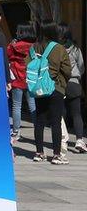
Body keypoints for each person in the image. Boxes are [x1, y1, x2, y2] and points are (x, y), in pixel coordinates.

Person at [27, 19, 72, 164]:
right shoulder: (58, 48)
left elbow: (27, 65)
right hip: (55, 87)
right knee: (55, 121)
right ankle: (57, 155)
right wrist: (62, 83)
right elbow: (67, 69)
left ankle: (39, 153)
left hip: (38, 89)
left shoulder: (33, 48)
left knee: (39, 121)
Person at [6, 24, 37, 140]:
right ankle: (37, 128)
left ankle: (16, 131)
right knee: (32, 105)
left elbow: (6, 56)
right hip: (30, 79)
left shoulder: (12, 46)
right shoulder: (32, 47)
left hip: (16, 79)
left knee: (16, 106)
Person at [58, 23, 85, 153]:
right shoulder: (75, 48)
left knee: (61, 113)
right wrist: (77, 76)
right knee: (76, 113)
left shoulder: (55, 47)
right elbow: (81, 66)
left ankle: (63, 139)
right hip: (74, 83)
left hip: (60, 84)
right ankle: (79, 140)